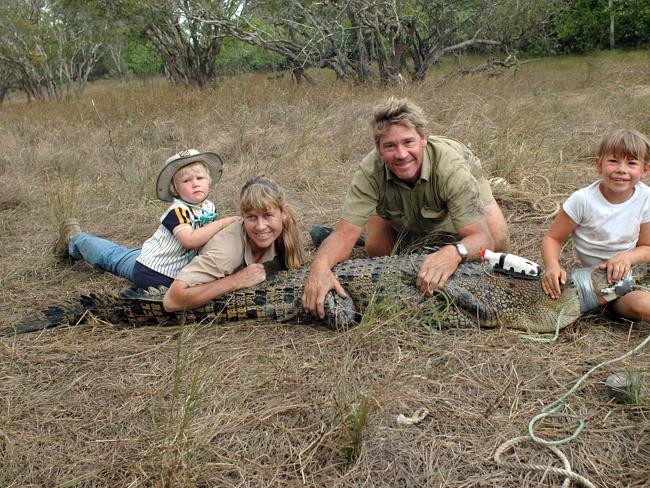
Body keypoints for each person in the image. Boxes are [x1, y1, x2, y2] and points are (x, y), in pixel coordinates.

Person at [302, 97, 510, 319]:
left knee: (497, 242)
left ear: (423, 139)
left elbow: (481, 238)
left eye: (408, 142)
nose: (401, 154)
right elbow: (343, 234)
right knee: (377, 250)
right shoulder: (369, 170)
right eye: (390, 146)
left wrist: (453, 252)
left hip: (454, 194)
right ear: (378, 148)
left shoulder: (451, 167)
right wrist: (319, 267)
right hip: (395, 204)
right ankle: (361, 238)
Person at [55, 149, 240, 289]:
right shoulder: (177, 211)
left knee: (122, 254)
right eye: (186, 181)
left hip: (171, 259)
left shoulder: (208, 207)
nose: (195, 183)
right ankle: (75, 239)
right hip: (156, 273)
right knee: (112, 258)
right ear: (175, 190)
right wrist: (223, 223)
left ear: (209, 182)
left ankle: (79, 240)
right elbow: (190, 240)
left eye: (200, 178)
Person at [541, 128, 650, 321]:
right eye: (613, 161)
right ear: (598, 164)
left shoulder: (645, 198)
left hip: (625, 279)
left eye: (631, 163)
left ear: (645, 170)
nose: (621, 169)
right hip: (592, 284)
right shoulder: (582, 200)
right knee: (642, 306)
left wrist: (627, 258)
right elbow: (553, 238)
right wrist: (552, 266)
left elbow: (647, 247)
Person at [163, 175, 304, 311]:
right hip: (163, 273)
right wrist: (236, 280)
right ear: (243, 217)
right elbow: (171, 300)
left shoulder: (288, 228)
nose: (261, 226)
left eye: (268, 215)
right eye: (252, 217)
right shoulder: (225, 254)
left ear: (283, 213)